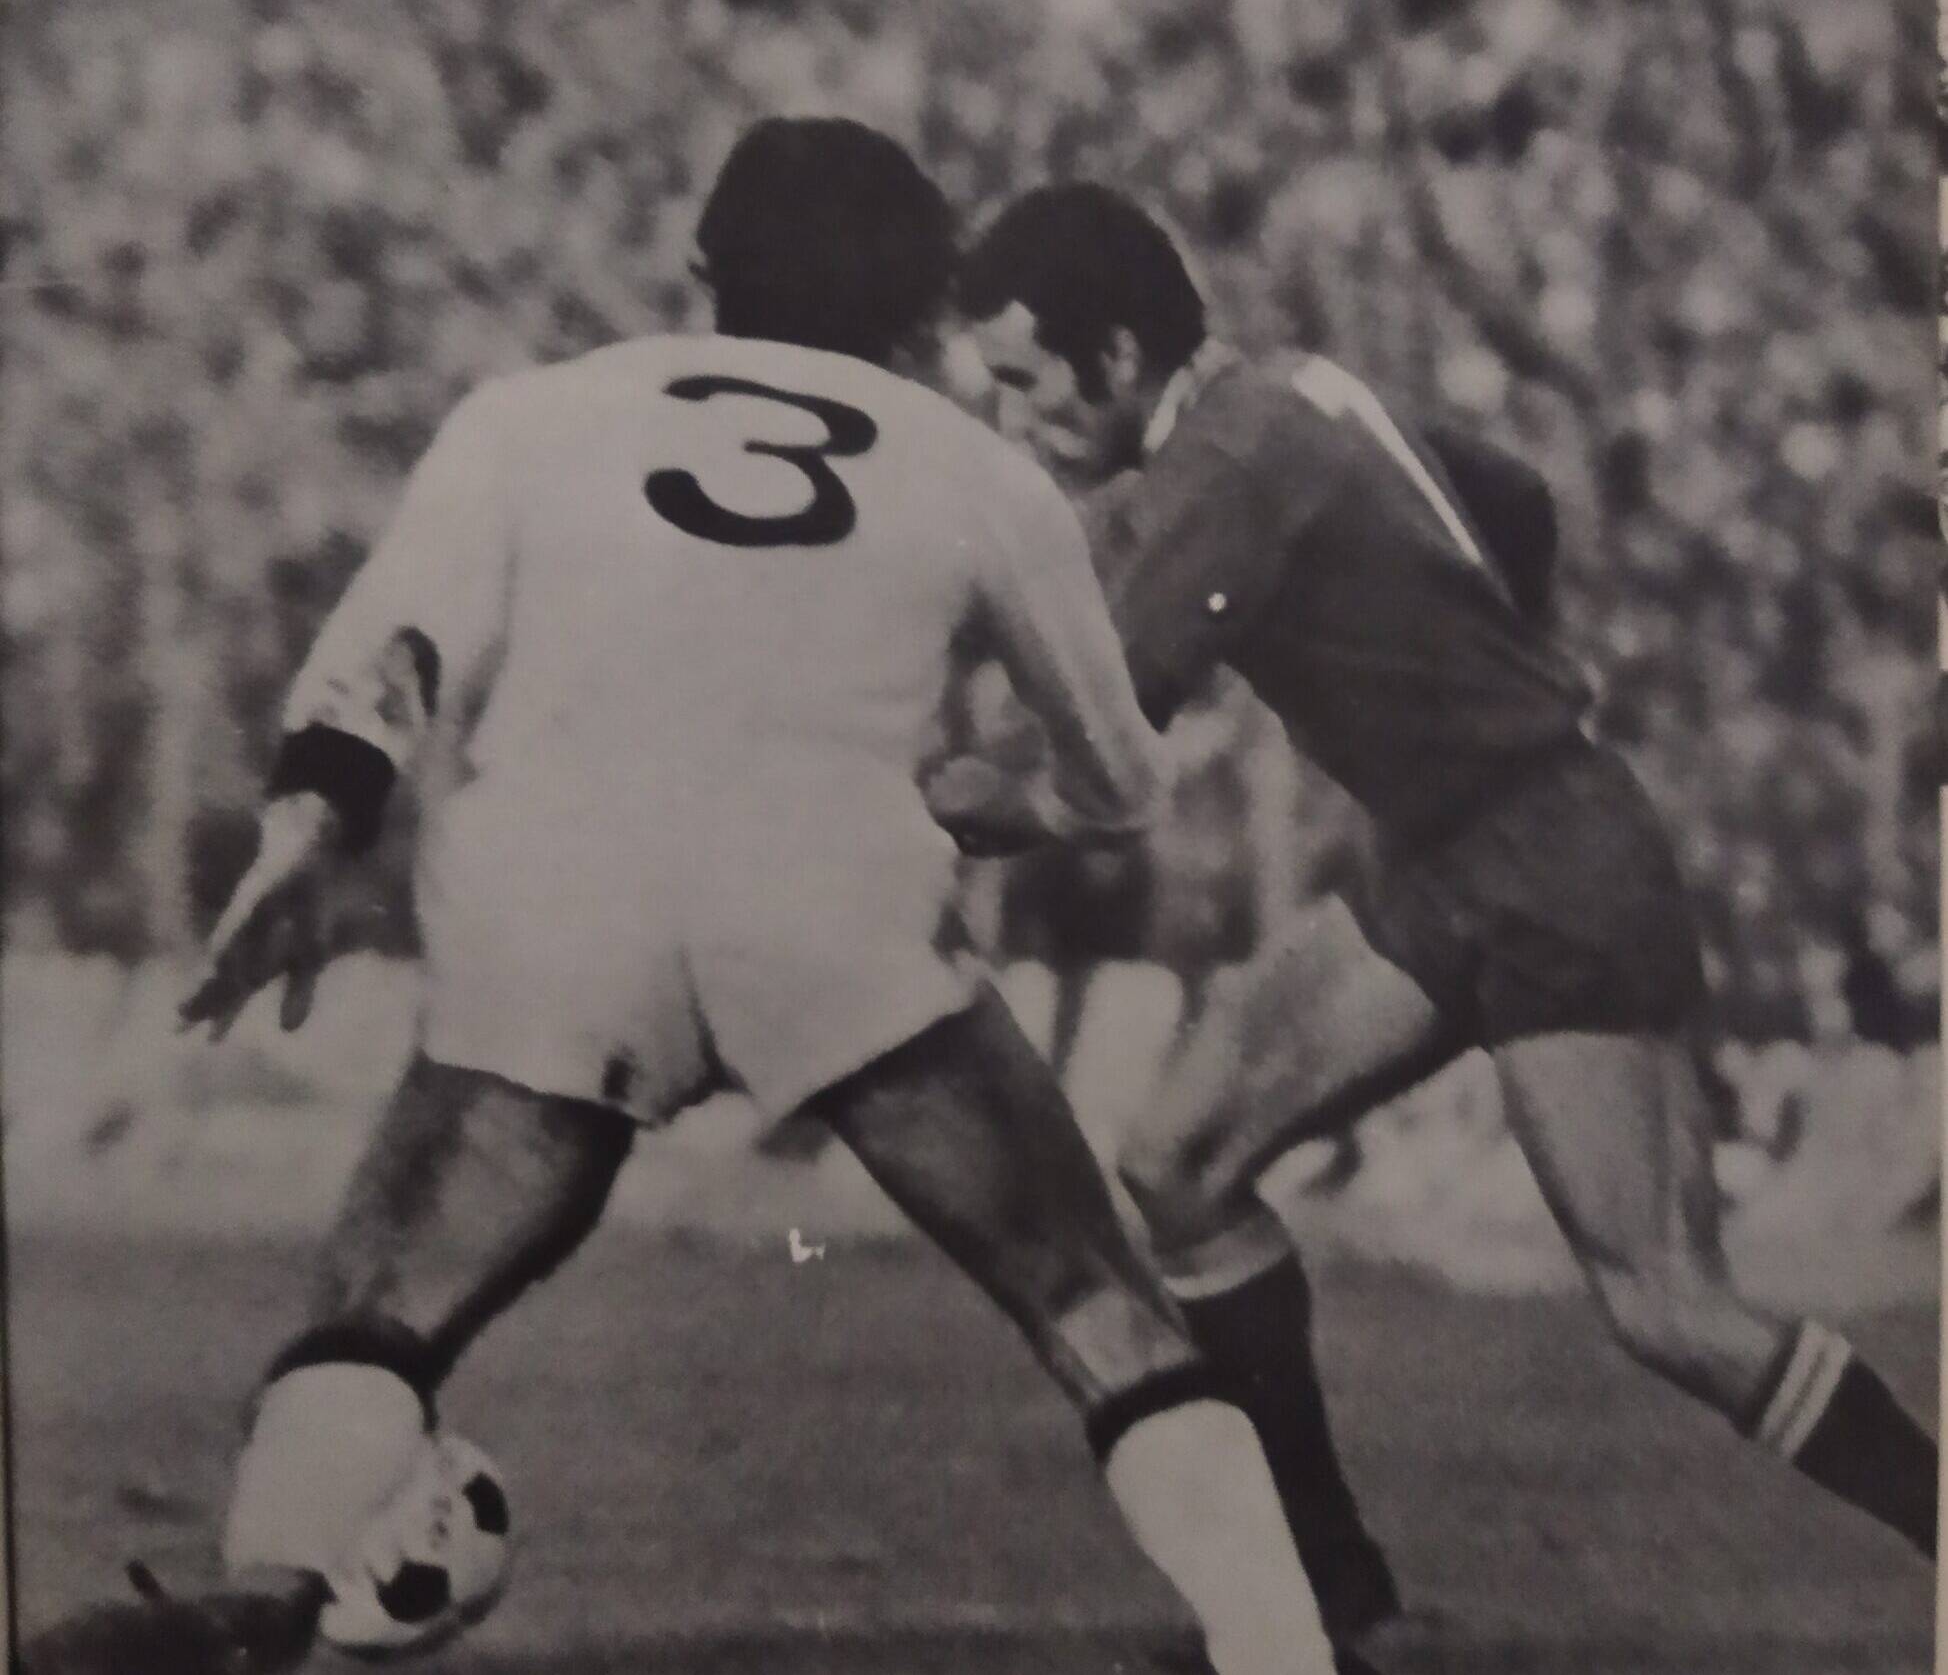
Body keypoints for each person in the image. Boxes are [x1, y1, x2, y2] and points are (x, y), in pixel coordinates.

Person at [23, 128, 1358, 1675]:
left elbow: (392, 645)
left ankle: (263, 1592)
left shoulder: (529, 413)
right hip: (832, 904)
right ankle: (1285, 1656)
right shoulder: (977, 469)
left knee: (380, 1311)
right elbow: (1120, 776)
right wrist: (1006, 808)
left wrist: (315, 817)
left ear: (704, 271)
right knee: (1094, 1304)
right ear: (926, 307)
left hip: (554, 899)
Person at [933, 180, 1938, 1642]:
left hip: (1551, 864)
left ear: (1122, 355)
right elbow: (1510, 498)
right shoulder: (1288, 397)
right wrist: (1457, 661)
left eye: (1030, 382)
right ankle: (1336, 1605)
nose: (1016, 418)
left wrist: (942, 794)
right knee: (1181, 1161)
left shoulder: (1234, 456)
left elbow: (1108, 753)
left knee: (1667, 1304)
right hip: (1451, 854)